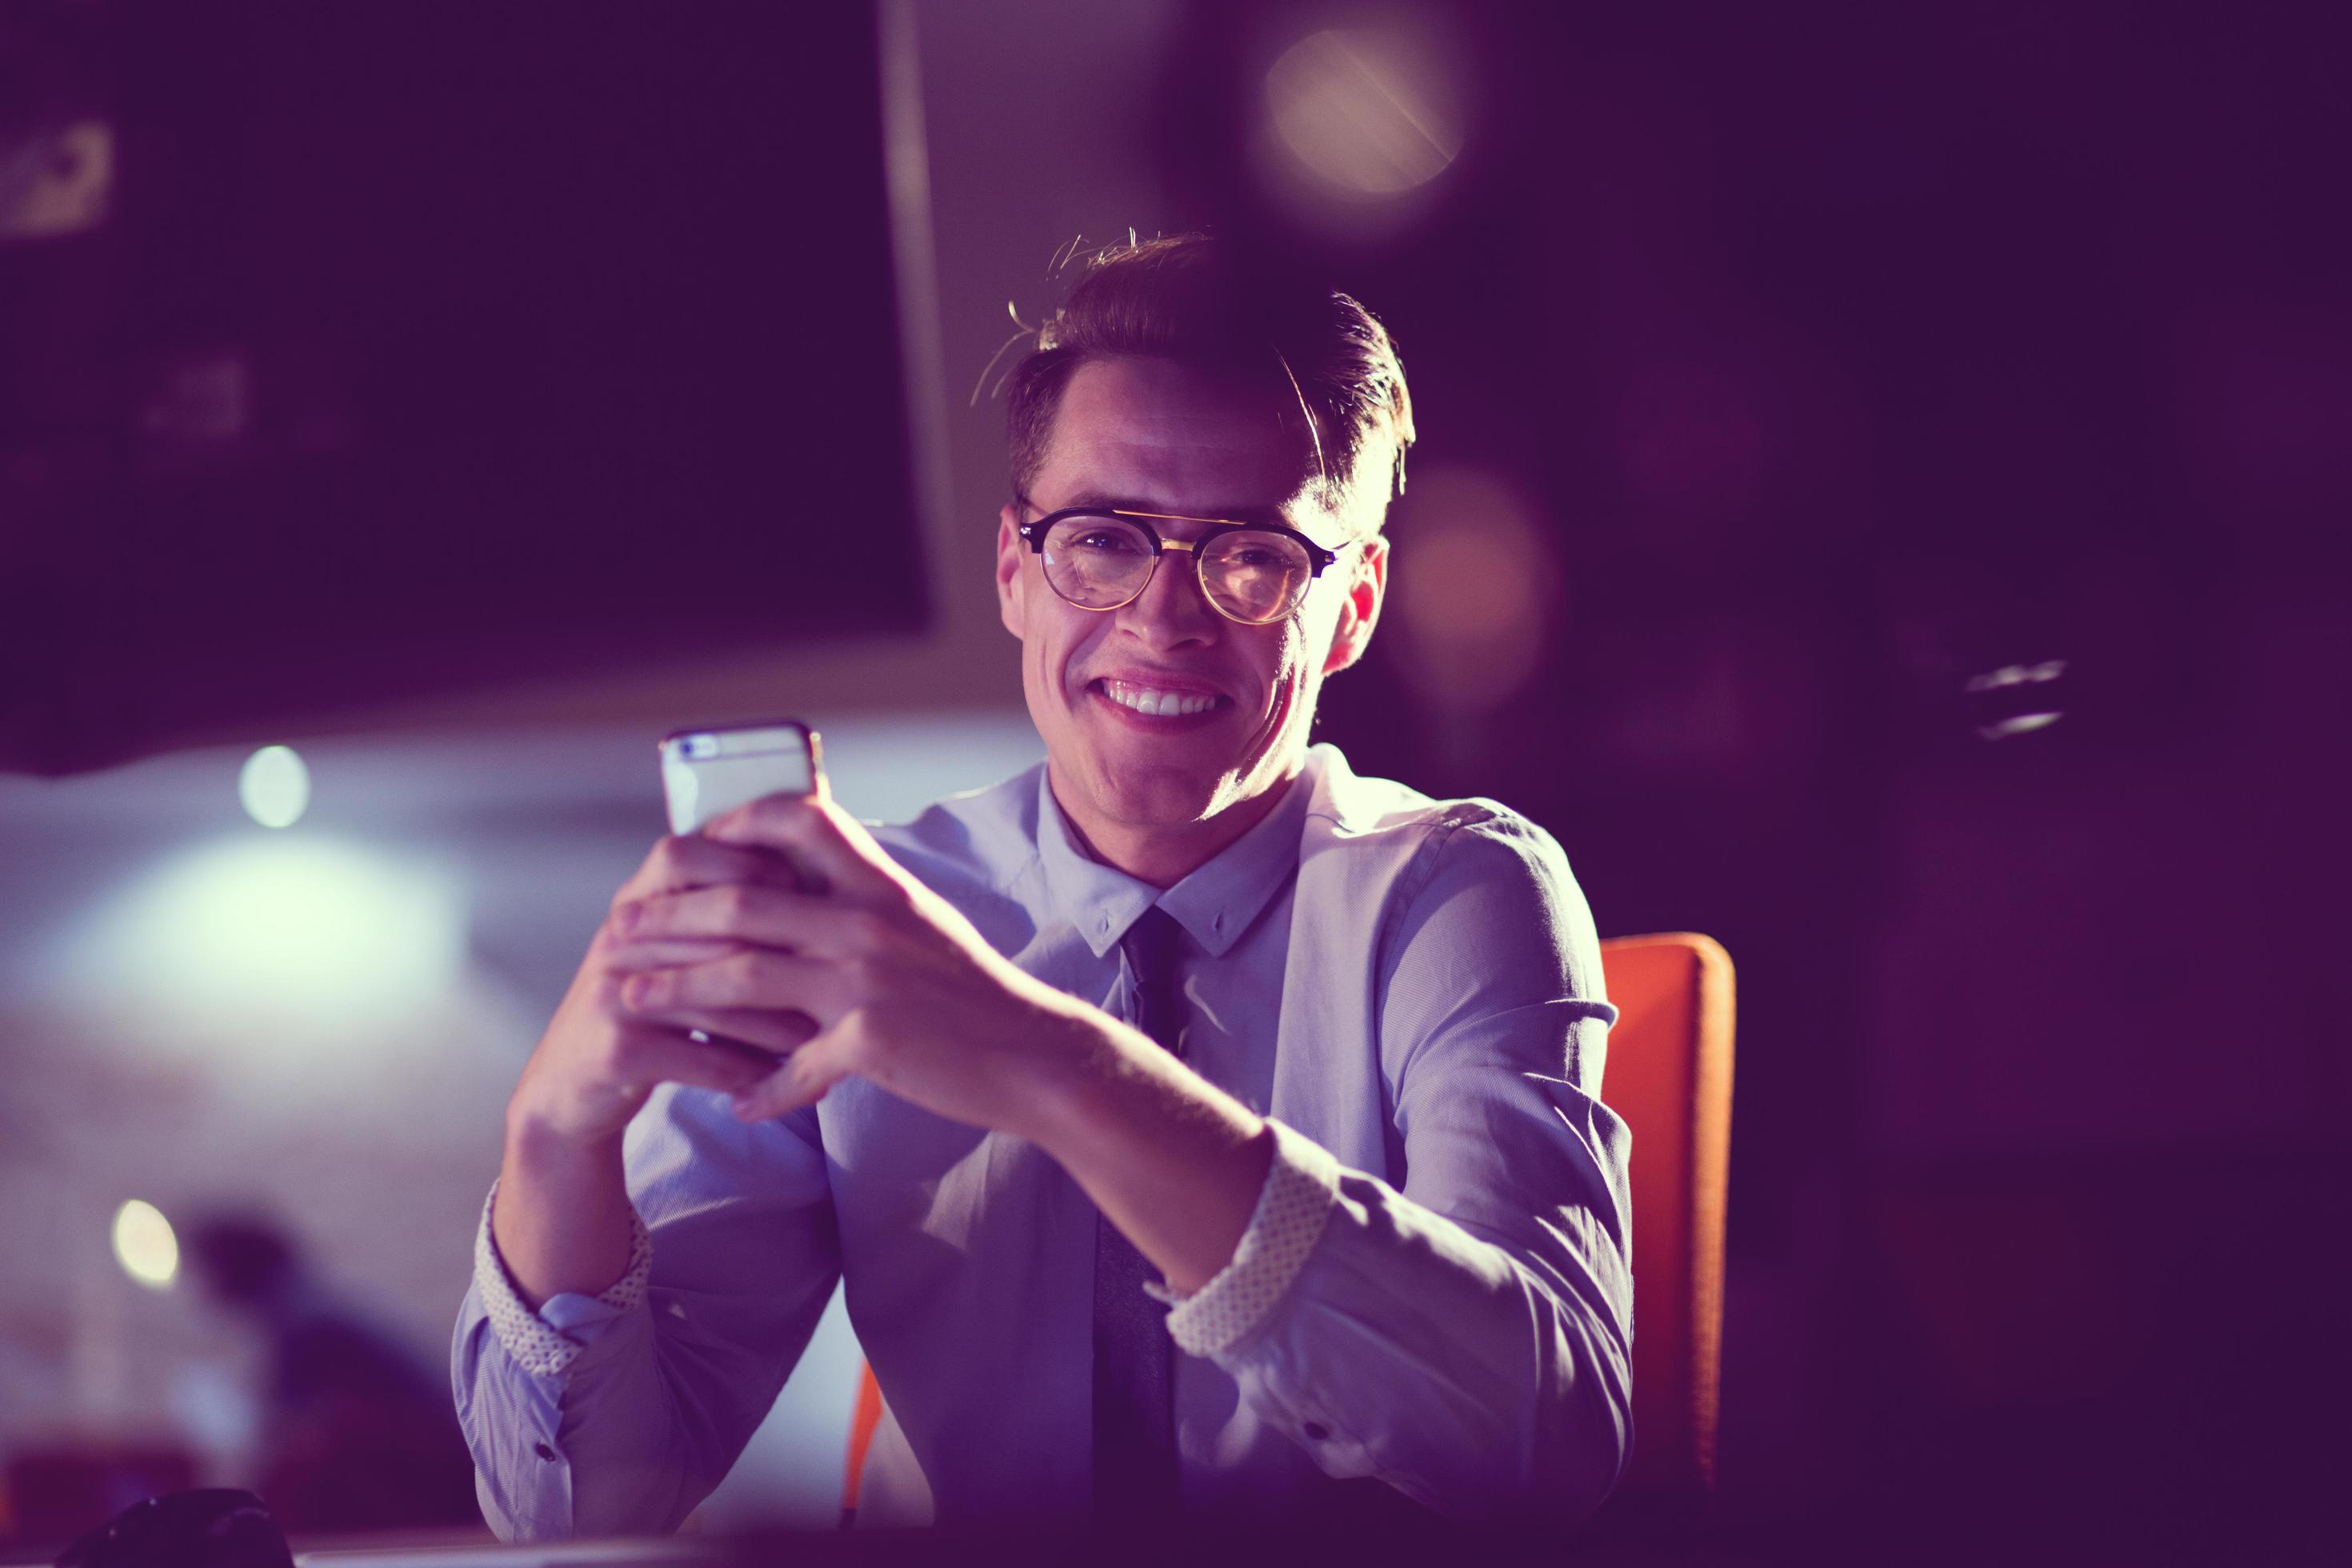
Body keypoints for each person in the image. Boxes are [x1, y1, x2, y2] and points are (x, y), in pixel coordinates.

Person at [451, 235, 1632, 1537]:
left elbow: (1550, 1440)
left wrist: (1043, 1062)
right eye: (1106, 540)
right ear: (1017, 569)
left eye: (1252, 556)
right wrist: (554, 1138)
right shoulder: (867, 924)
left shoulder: (1456, 893)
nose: (1166, 617)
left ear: (1350, 609)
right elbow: (575, 1511)